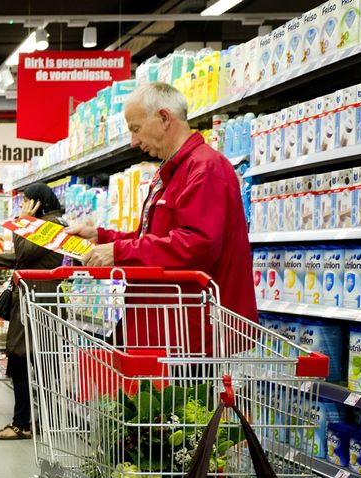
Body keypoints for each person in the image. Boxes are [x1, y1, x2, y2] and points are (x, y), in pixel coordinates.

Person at [65, 82, 257, 332]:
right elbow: (152, 240)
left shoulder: (205, 168)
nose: (133, 141)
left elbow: (197, 245)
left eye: (136, 129)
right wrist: (101, 238)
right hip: (171, 326)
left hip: (197, 334)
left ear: (164, 118)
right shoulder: (169, 173)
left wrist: (120, 253)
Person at [0, 183, 64, 440]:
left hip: (38, 305)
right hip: (31, 303)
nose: (22, 207)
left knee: (29, 362)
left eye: (26, 201)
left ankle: (24, 424)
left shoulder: (52, 225)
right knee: (23, 361)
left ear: (38, 202)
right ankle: (29, 421)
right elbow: (21, 256)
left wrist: (23, 222)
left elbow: (24, 253)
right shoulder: (45, 225)